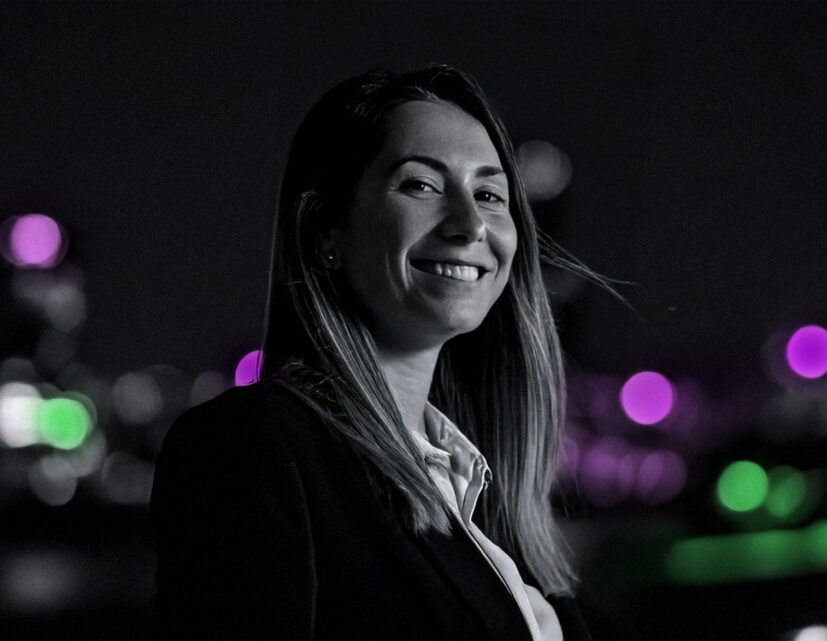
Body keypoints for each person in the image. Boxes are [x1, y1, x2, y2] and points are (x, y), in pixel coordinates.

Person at [151, 65, 596, 640]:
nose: (468, 225)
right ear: (326, 232)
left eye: (489, 194)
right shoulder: (250, 448)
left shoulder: (481, 498)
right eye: (421, 185)